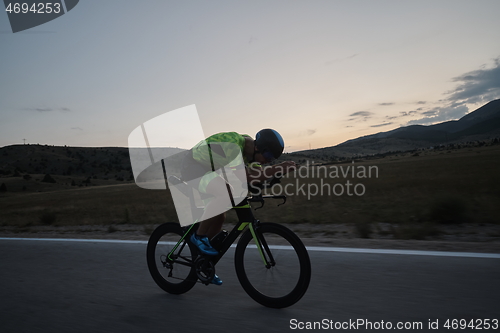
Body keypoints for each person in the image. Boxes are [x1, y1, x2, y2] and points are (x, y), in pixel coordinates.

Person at [180, 129, 296, 285]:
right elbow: (246, 177)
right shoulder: (234, 146)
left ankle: (204, 261)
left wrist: (269, 180)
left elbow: (255, 178)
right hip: (193, 166)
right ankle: (198, 236)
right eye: (268, 156)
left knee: (220, 215)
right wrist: (277, 168)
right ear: (258, 148)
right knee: (226, 194)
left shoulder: (250, 155)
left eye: (272, 159)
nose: (267, 161)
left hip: (210, 169)